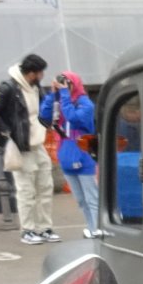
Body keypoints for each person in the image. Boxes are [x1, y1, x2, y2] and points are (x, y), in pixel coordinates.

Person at [0, 53, 60, 244]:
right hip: (21, 146)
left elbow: (45, 108)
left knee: (45, 187)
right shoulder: (9, 88)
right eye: (40, 72)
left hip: (38, 144)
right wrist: (6, 132)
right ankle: (28, 230)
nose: (42, 76)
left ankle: (44, 227)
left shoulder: (36, 88)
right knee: (25, 190)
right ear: (32, 73)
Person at [40, 71, 98, 235]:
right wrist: (53, 95)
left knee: (92, 198)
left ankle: (98, 229)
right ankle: (91, 227)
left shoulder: (86, 104)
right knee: (80, 200)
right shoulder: (61, 101)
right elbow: (44, 116)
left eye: (68, 83)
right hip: (66, 155)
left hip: (84, 155)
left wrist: (64, 94)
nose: (66, 87)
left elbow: (73, 118)